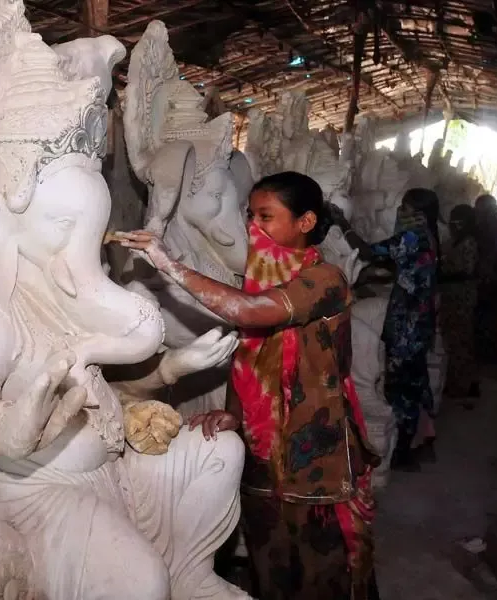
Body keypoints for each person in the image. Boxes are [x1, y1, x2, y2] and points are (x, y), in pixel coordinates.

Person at [116, 171, 380, 600]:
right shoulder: (261, 279)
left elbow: (250, 313)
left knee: (324, 573)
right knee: (269, 567)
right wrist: (234, 415)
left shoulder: (326, 280)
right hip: (264, 451)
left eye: (266, 216)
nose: (252, 227)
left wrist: (169, 264)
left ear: (306, 223)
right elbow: (249, 358)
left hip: (317, 453)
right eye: (249, 215)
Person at [369, 188, 439, 471]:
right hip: (419, 321)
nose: (401, 212)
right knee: (415, 380)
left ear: (418, 213)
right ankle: (422, 439)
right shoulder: (429, 236)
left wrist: (343, 227)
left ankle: (402, 451)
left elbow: (372, 250)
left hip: (407, 323)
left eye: (405, 207)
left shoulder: (412, 236)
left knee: (401, 386)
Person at [439, 204, 480, 404]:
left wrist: (443, 275)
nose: (452, 225)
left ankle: (462, 385)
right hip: (452, 296)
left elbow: (467, 270)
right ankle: (458, 382)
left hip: (461, 297)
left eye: (456, 221)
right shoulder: (456, 240)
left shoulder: (469, 242)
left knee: (461, 341)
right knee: (453, 340)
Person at [474, 194, 497, 365]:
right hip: (493, 278)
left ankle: (484, 354)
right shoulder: (494, 225)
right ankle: (489, 354)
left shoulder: (485, 228)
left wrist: (481, 276)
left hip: (485, 279)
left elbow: (487, 256)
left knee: (483, 316)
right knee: (489, 317)